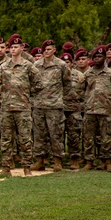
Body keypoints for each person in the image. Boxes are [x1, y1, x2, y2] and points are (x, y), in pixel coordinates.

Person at [0, 34, 39, 176]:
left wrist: (28, 93)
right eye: (11, 47)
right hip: (6, 107)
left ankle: (27, 167)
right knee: (6, 139)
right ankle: (6, 167)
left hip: (22, 108)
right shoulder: (3, 67)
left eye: (16, 47)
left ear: (21, 48)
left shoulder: (28, 66)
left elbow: (39, 83)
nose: (13, 49)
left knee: (25, 139)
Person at [81, 46, 111, 171]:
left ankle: (108, 161)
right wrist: (84, 104)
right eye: (95, 57)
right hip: (90, 110)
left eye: (100, 56)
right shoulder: (87, 74)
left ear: (105, 57)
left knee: (107, 138)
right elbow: (79, 91)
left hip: (106, 111)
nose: (97, 59)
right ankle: (89, 161)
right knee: (88, 137)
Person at [32, 39, 70, 172]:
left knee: (56, 134)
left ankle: (57, 161)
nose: (46, 52)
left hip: (54, 105)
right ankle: (39, 161)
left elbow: (67, 84)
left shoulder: (61, 65)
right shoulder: (36, 65)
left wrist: (60, 98)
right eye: (44, 50)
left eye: (49, 49)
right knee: (39, 135)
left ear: (54, 50)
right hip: (39, 105)